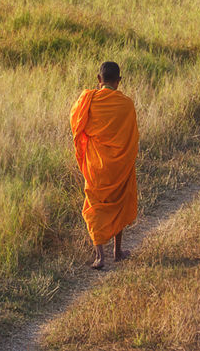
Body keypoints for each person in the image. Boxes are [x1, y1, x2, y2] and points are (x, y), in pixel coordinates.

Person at [70, 60, 138, 269]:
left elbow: (76, 124)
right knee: (119, 201)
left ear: (99, 80)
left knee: (95, 205)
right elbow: (132, 137)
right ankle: (117, 251)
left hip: (97, 165)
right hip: (120, 165)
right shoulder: (126, 104)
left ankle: (100, 256)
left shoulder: (88, 100)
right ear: (119, 81)